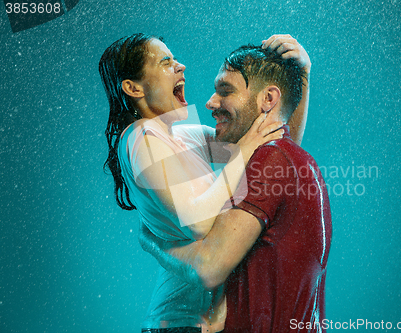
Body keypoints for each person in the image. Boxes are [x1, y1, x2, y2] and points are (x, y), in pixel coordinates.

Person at [99, 33, 310, 332]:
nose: (180, 66)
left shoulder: (184, 137)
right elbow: (198, 222)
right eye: (166, 62)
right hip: (179, 324)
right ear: (134, 88)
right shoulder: (141, 136)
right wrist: (245, 151)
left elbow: (273, 152)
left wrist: (301, 75)